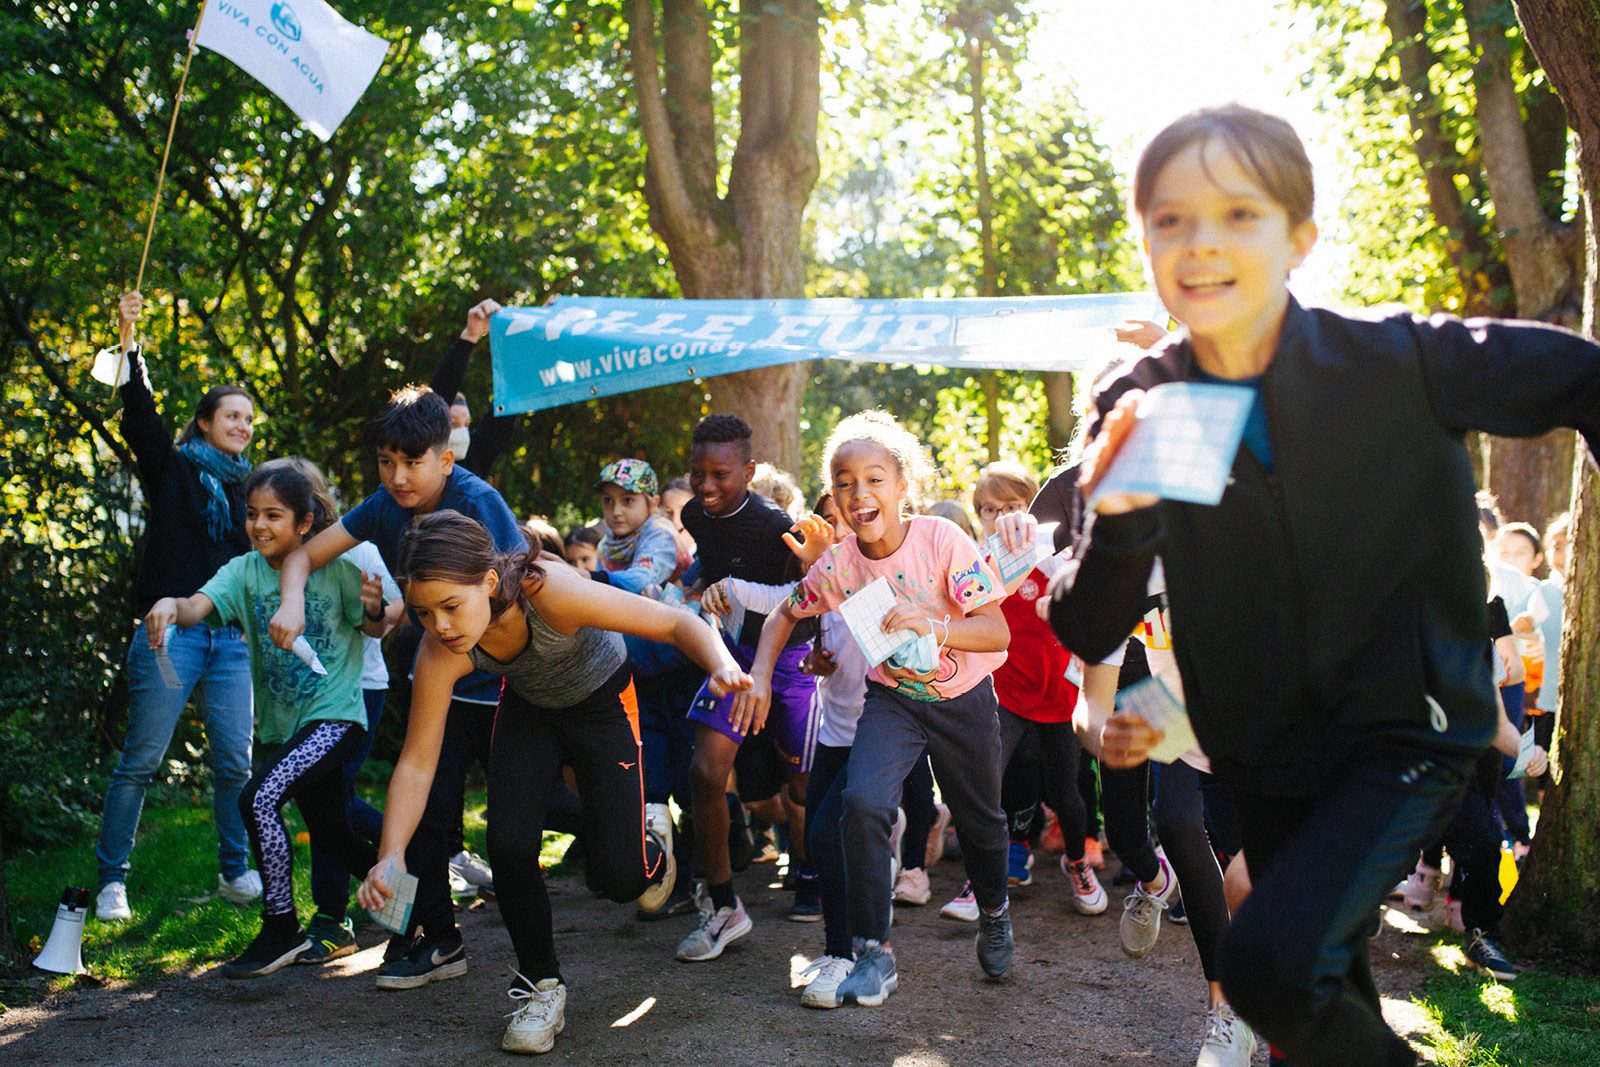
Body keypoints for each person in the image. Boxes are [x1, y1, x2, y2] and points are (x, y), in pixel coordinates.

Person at [1044, 104, 1600, 1066]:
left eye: (1237, 215)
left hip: (1409, 726)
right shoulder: (1148, 398)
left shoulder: (1395, 359)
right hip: (1262, 751)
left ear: (1301, 236)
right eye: (1170, 219)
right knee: (1321, 1003)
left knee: (1263, 965)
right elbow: (1091, 621)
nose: (1201, 242)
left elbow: (1579, 376)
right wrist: (1123, 508)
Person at [358, 510, 750, 1054]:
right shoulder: (439, 651)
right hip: (530, 707)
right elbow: (416, 762)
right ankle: (540, 986)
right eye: (424, 612)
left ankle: (655, 850)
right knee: (509, 842)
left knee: (619, 882)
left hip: (602, 703)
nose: (441, 626)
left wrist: (721, 664)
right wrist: (392, 852)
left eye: (451, 607)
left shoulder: (552, 594)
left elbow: (673, 623)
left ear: (490, 583)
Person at [737, 410, 1014, 1006]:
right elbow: (788, 611)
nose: (858, 494)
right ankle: (873, 954)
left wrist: (937, 625)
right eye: (844, 482)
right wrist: (760, 674)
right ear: (833, 496)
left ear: (903, 485)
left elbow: (996, 633)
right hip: (894, 700)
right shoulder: (839, 565)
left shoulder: (941, 540)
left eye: (874, 479)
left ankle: (993, 907)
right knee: (859, 803)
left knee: (982, 821)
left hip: (963, 698)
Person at [269, 384, 525, 989]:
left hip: (508, 689)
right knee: (429, 819)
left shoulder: (478, 502)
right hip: (443, 684)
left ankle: (637, 829)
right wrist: (294, 604)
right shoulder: (381, 507)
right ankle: (437, 938)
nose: (399, 476)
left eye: (412, 463)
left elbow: (516, 591)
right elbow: (303, 558)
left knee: (535, 816)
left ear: (445, 459)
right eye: (386, 462)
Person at [145, 460, 385, 977]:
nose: (258, 525)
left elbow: (377, 628)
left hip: (337, 718)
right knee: (337, 835)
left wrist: (373, 608)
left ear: (303, 522)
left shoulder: (337, 565)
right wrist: (169, 604)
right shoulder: (242, 572)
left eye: (273, 515)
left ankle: (281, 928)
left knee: (258, 797)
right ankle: (422, 905)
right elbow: (196, 605)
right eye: (252, 514)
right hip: (286, 728)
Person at [93, 290, 260, 923]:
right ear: (205, 422)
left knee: (234, 763)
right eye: (232, 416)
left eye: (249, 418)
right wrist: (129, 339)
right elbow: (140, 416)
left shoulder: (253, 491)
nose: (242, 426)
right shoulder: (174, 470)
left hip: (231, 640)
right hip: (170, 636)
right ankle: (112, 882)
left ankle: (235, 870)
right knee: (140, 761)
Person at [675, 415, 820, 961]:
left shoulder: (775, 525)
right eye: (697, 473)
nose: (707, 486)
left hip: (790, 661)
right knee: (706, 773)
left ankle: (812, 874)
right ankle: (722, 904)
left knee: (803, 786)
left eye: (721, 474)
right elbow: (710, 573)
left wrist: (735, 588)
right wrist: (693, 590)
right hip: (735, 654)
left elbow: (799, 596)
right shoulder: (694, 514)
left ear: (750, 471)